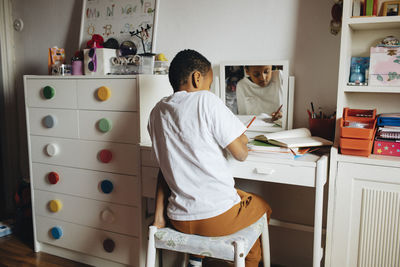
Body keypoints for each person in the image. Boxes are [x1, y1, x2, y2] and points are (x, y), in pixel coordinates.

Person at [147, 49, 272, 267]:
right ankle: (249, 261)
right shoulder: (205, 100)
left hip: (178, 219)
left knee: (237, 195)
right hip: (215, 220)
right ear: (197, 78)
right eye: (210, 83)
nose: (209, 89)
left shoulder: (157, 111)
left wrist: (159, 217)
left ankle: (196, 259)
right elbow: (241, 154)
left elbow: (163, 169)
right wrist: (242, 138)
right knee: (262, 207)